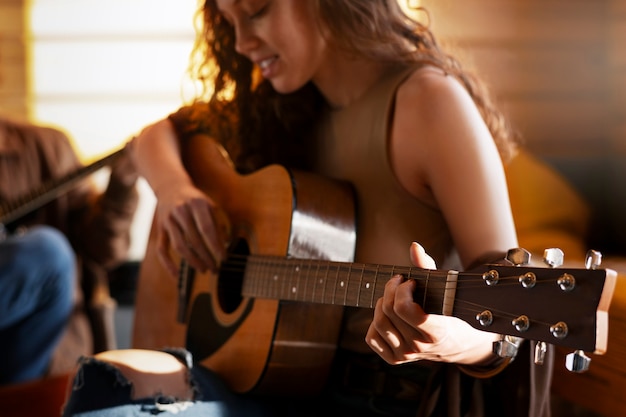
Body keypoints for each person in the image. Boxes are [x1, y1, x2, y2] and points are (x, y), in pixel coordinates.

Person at [61, 1, 553, 416]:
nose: (241, 42)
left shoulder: (428, 102)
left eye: (255, 11)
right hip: (270, 386)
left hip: (376, 402)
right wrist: (174, 192)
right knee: (105, 379)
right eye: (229, 22)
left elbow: (509, 323)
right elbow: (153, 136)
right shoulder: (285, 105)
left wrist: (448, 341)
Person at [0, 115, 139, 385]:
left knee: (48, 252)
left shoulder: (47, 146)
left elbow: (102, 252)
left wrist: (121, 187)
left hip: (29, 351)